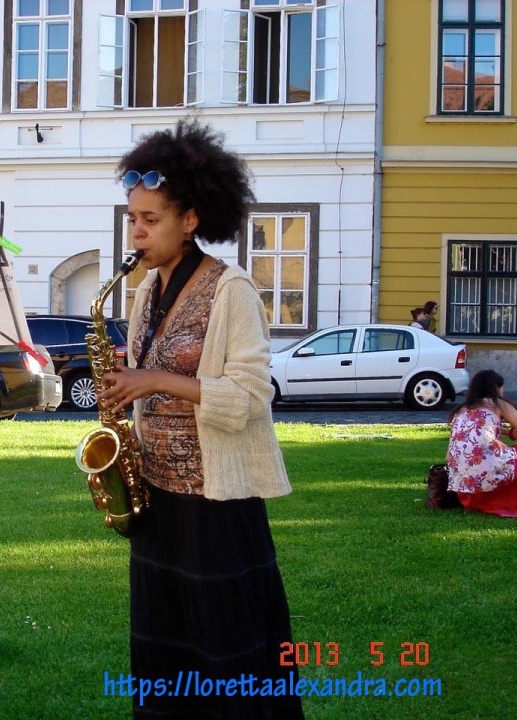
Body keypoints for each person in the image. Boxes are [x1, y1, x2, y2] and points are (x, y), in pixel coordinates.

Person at [96, 120, 303, 719]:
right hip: (158, 498)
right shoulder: (142, 295)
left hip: (217, 506)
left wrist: (152, 378)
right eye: (132, 217)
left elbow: (249, 396)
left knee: (227, 652)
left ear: (191, 219)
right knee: (166, 650)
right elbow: (147, 380)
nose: (136, 230)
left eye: (150, 218)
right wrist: (124, 379)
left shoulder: (231, 289)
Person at [446, 369, 517, 517]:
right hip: (489, 482)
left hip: (466, 492)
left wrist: (508, 432)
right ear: (497, 387)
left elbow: (448, 456)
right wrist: (512, 433)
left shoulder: (461, 410)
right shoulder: (498, 404)